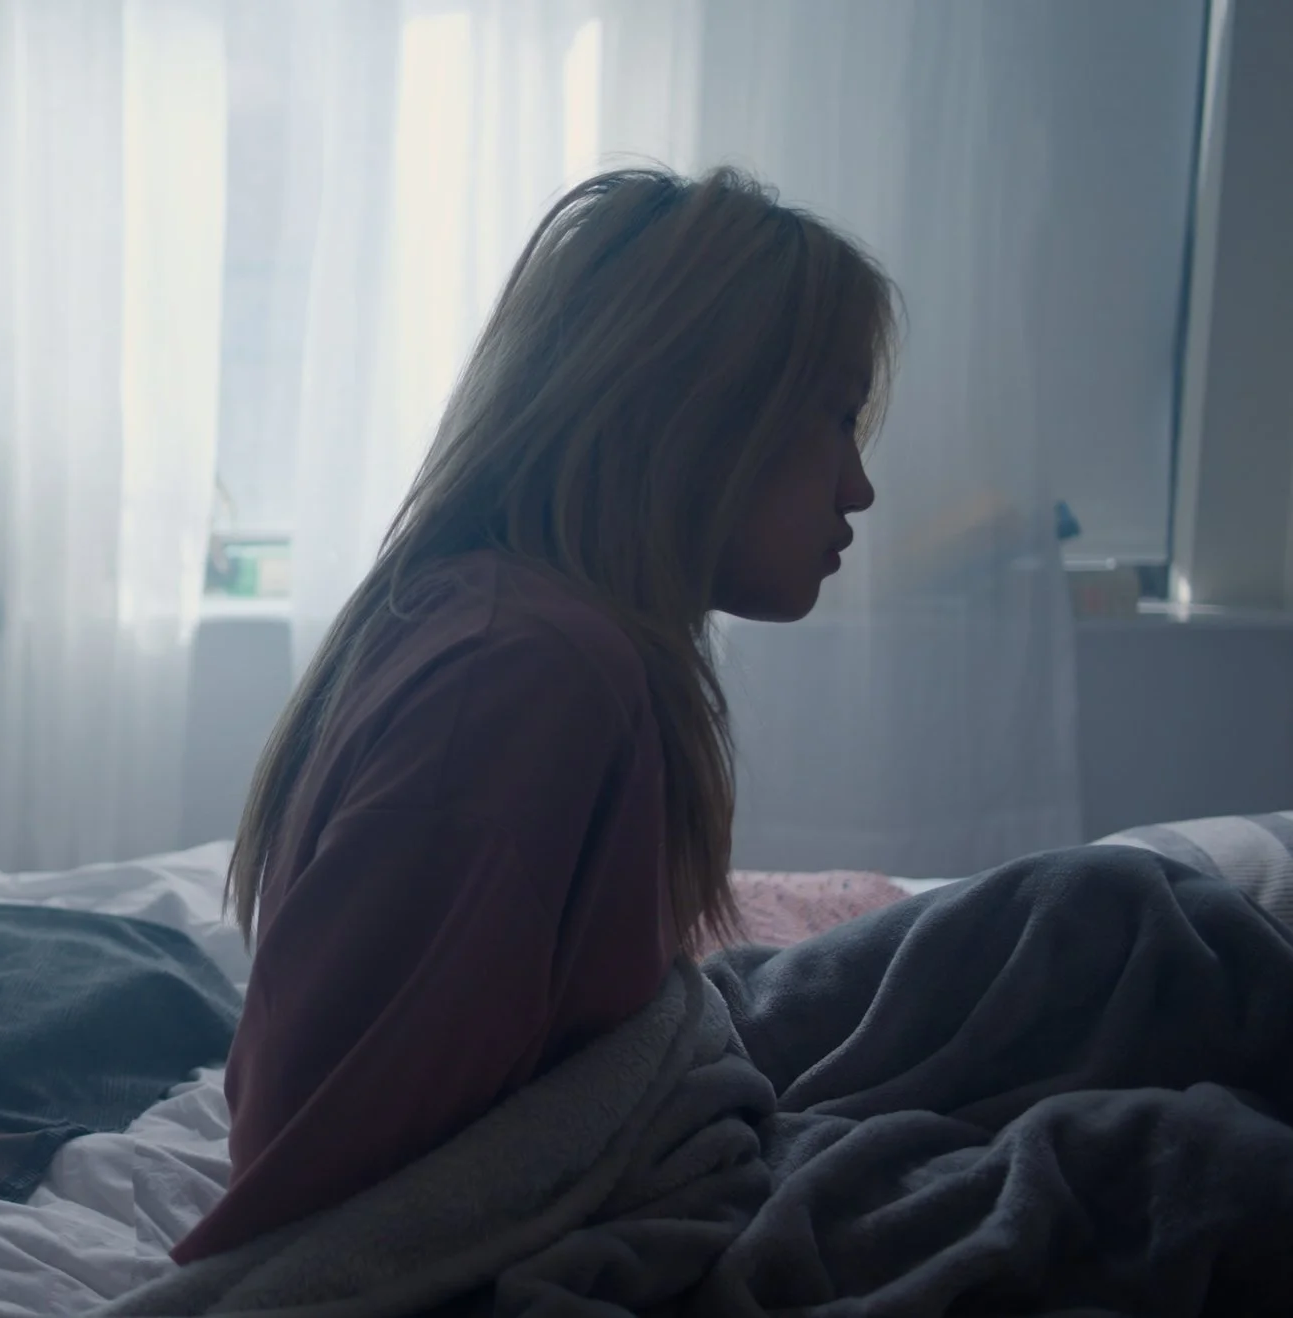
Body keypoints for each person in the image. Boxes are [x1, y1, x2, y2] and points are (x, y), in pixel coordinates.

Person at [174, 166, 892, 1263]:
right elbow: (334, 1180)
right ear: (697, 410)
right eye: (836, 417)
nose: (858, 487)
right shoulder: (528, 679)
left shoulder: (528, 631)